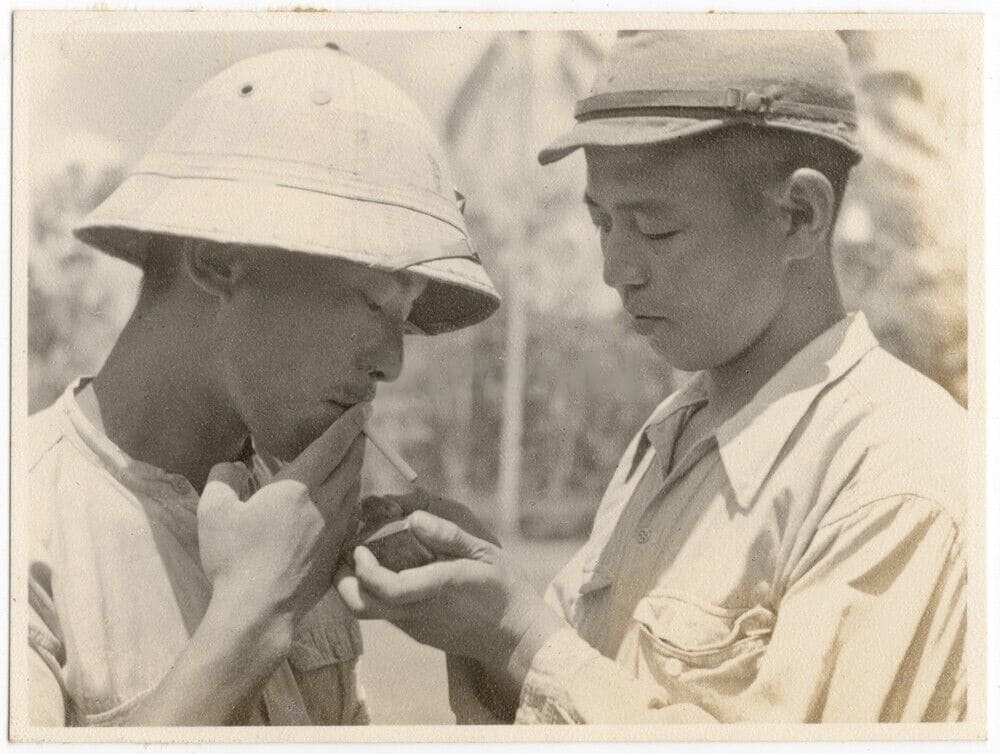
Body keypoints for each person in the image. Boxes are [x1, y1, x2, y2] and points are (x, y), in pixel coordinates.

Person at [337, 30, 968, 723]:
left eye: (656, 230)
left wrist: (515, 633)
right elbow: (587, 683)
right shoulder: (675, 435)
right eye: (604, 222)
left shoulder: (897, 481)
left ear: (799, 217)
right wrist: (485, 592)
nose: (616, 271)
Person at [26, 45, 500, 726]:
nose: (392, 362)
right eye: (371, 303)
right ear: (219, 258)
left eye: (403, 321)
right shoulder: (29, 523)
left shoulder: (300, 520)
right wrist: (253, 621)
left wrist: (493, 648)